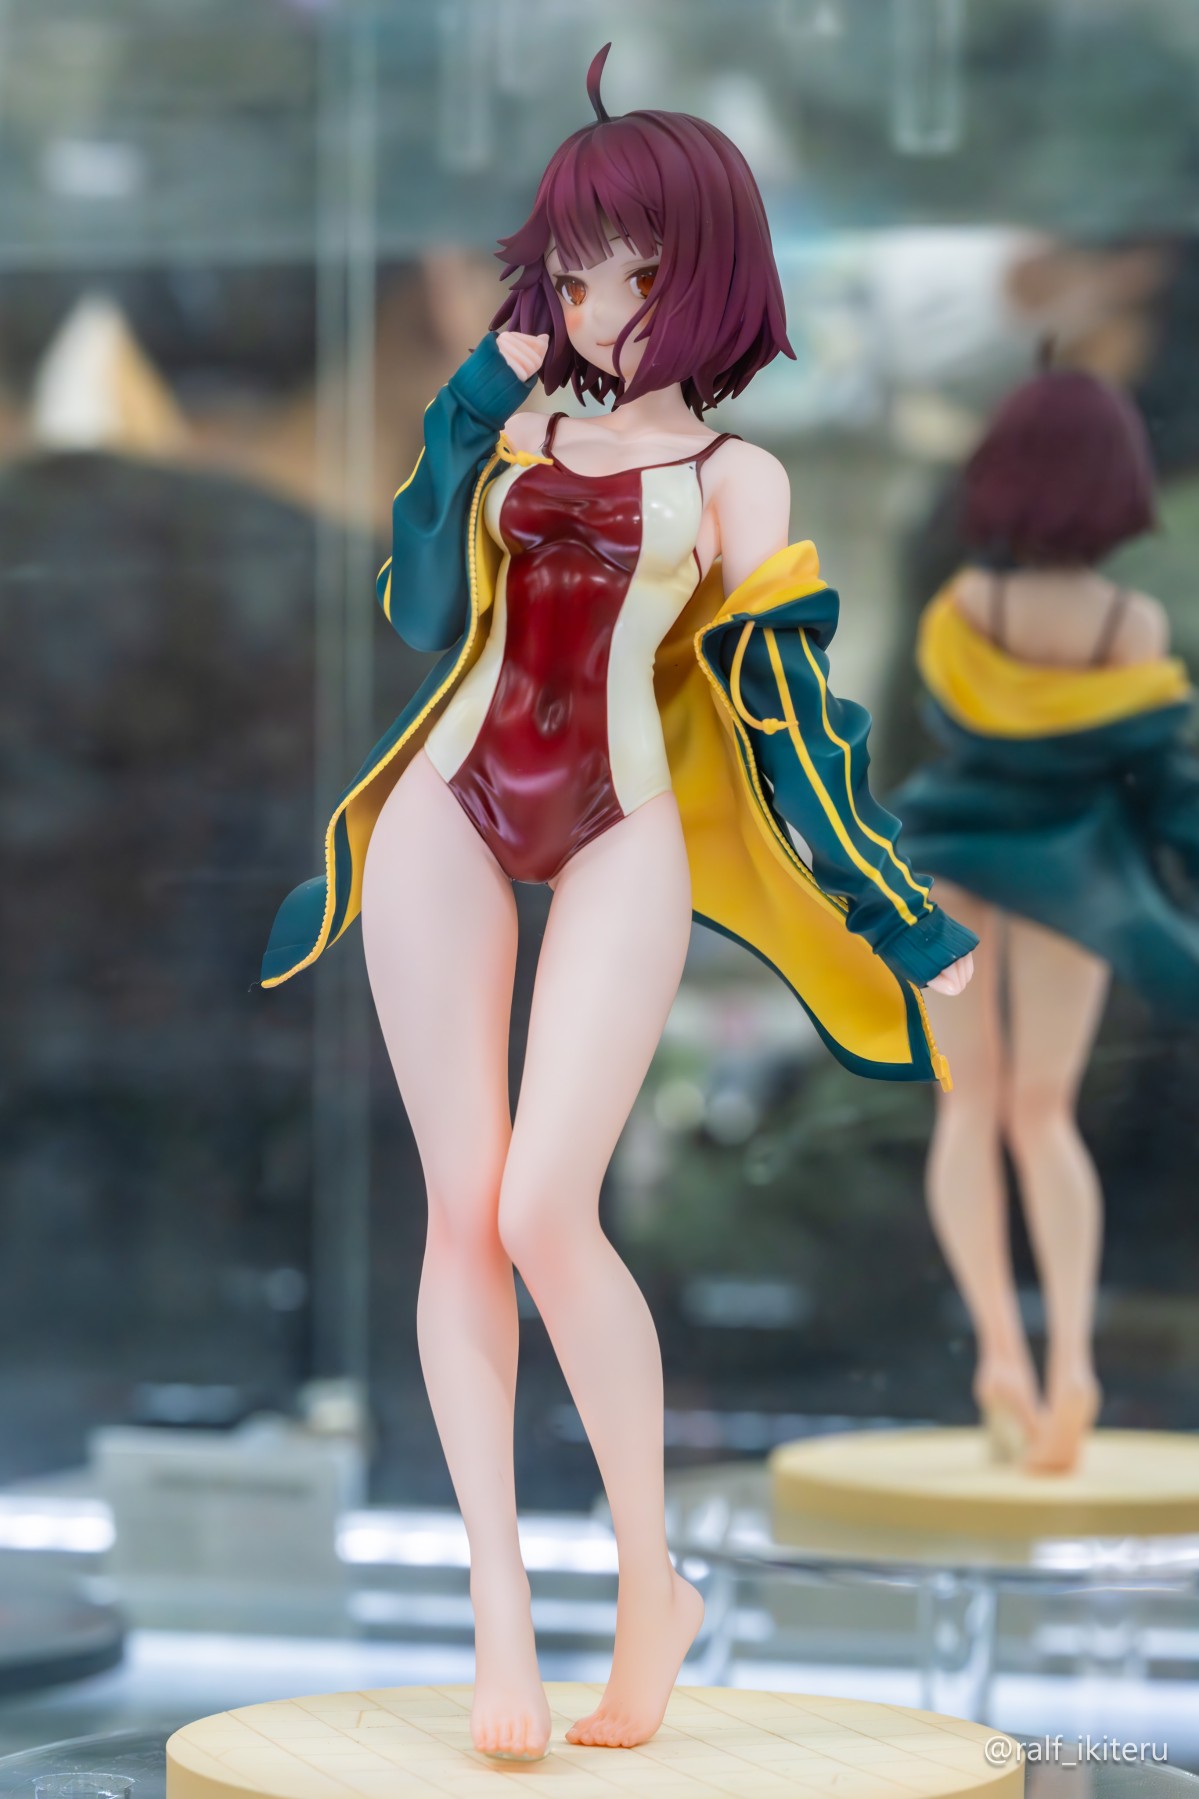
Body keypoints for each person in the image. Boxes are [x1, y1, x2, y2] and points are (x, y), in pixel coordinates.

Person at [261, 45, 975, 1761]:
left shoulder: (736, 478)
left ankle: (647, 1578)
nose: (594, 306)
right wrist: (466, 403)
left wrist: (894, 909)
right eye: (572, 272)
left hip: (619, 823)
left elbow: (788, 714)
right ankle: (499, 1607)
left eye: (633, 274)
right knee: (458, 1212)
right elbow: (418, 604)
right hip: (445, 806)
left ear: (706, 275)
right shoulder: (512, 428)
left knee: (543, 1205)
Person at [892, 365, 1199, 1476]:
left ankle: (996, 1351)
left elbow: (938, 724)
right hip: (1073, 874)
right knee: (1042, 1110)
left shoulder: (961, 611)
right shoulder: (1129, 620)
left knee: (966, 1105)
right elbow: (1154, 765)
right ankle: (1070, 1358)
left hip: (949, 859)